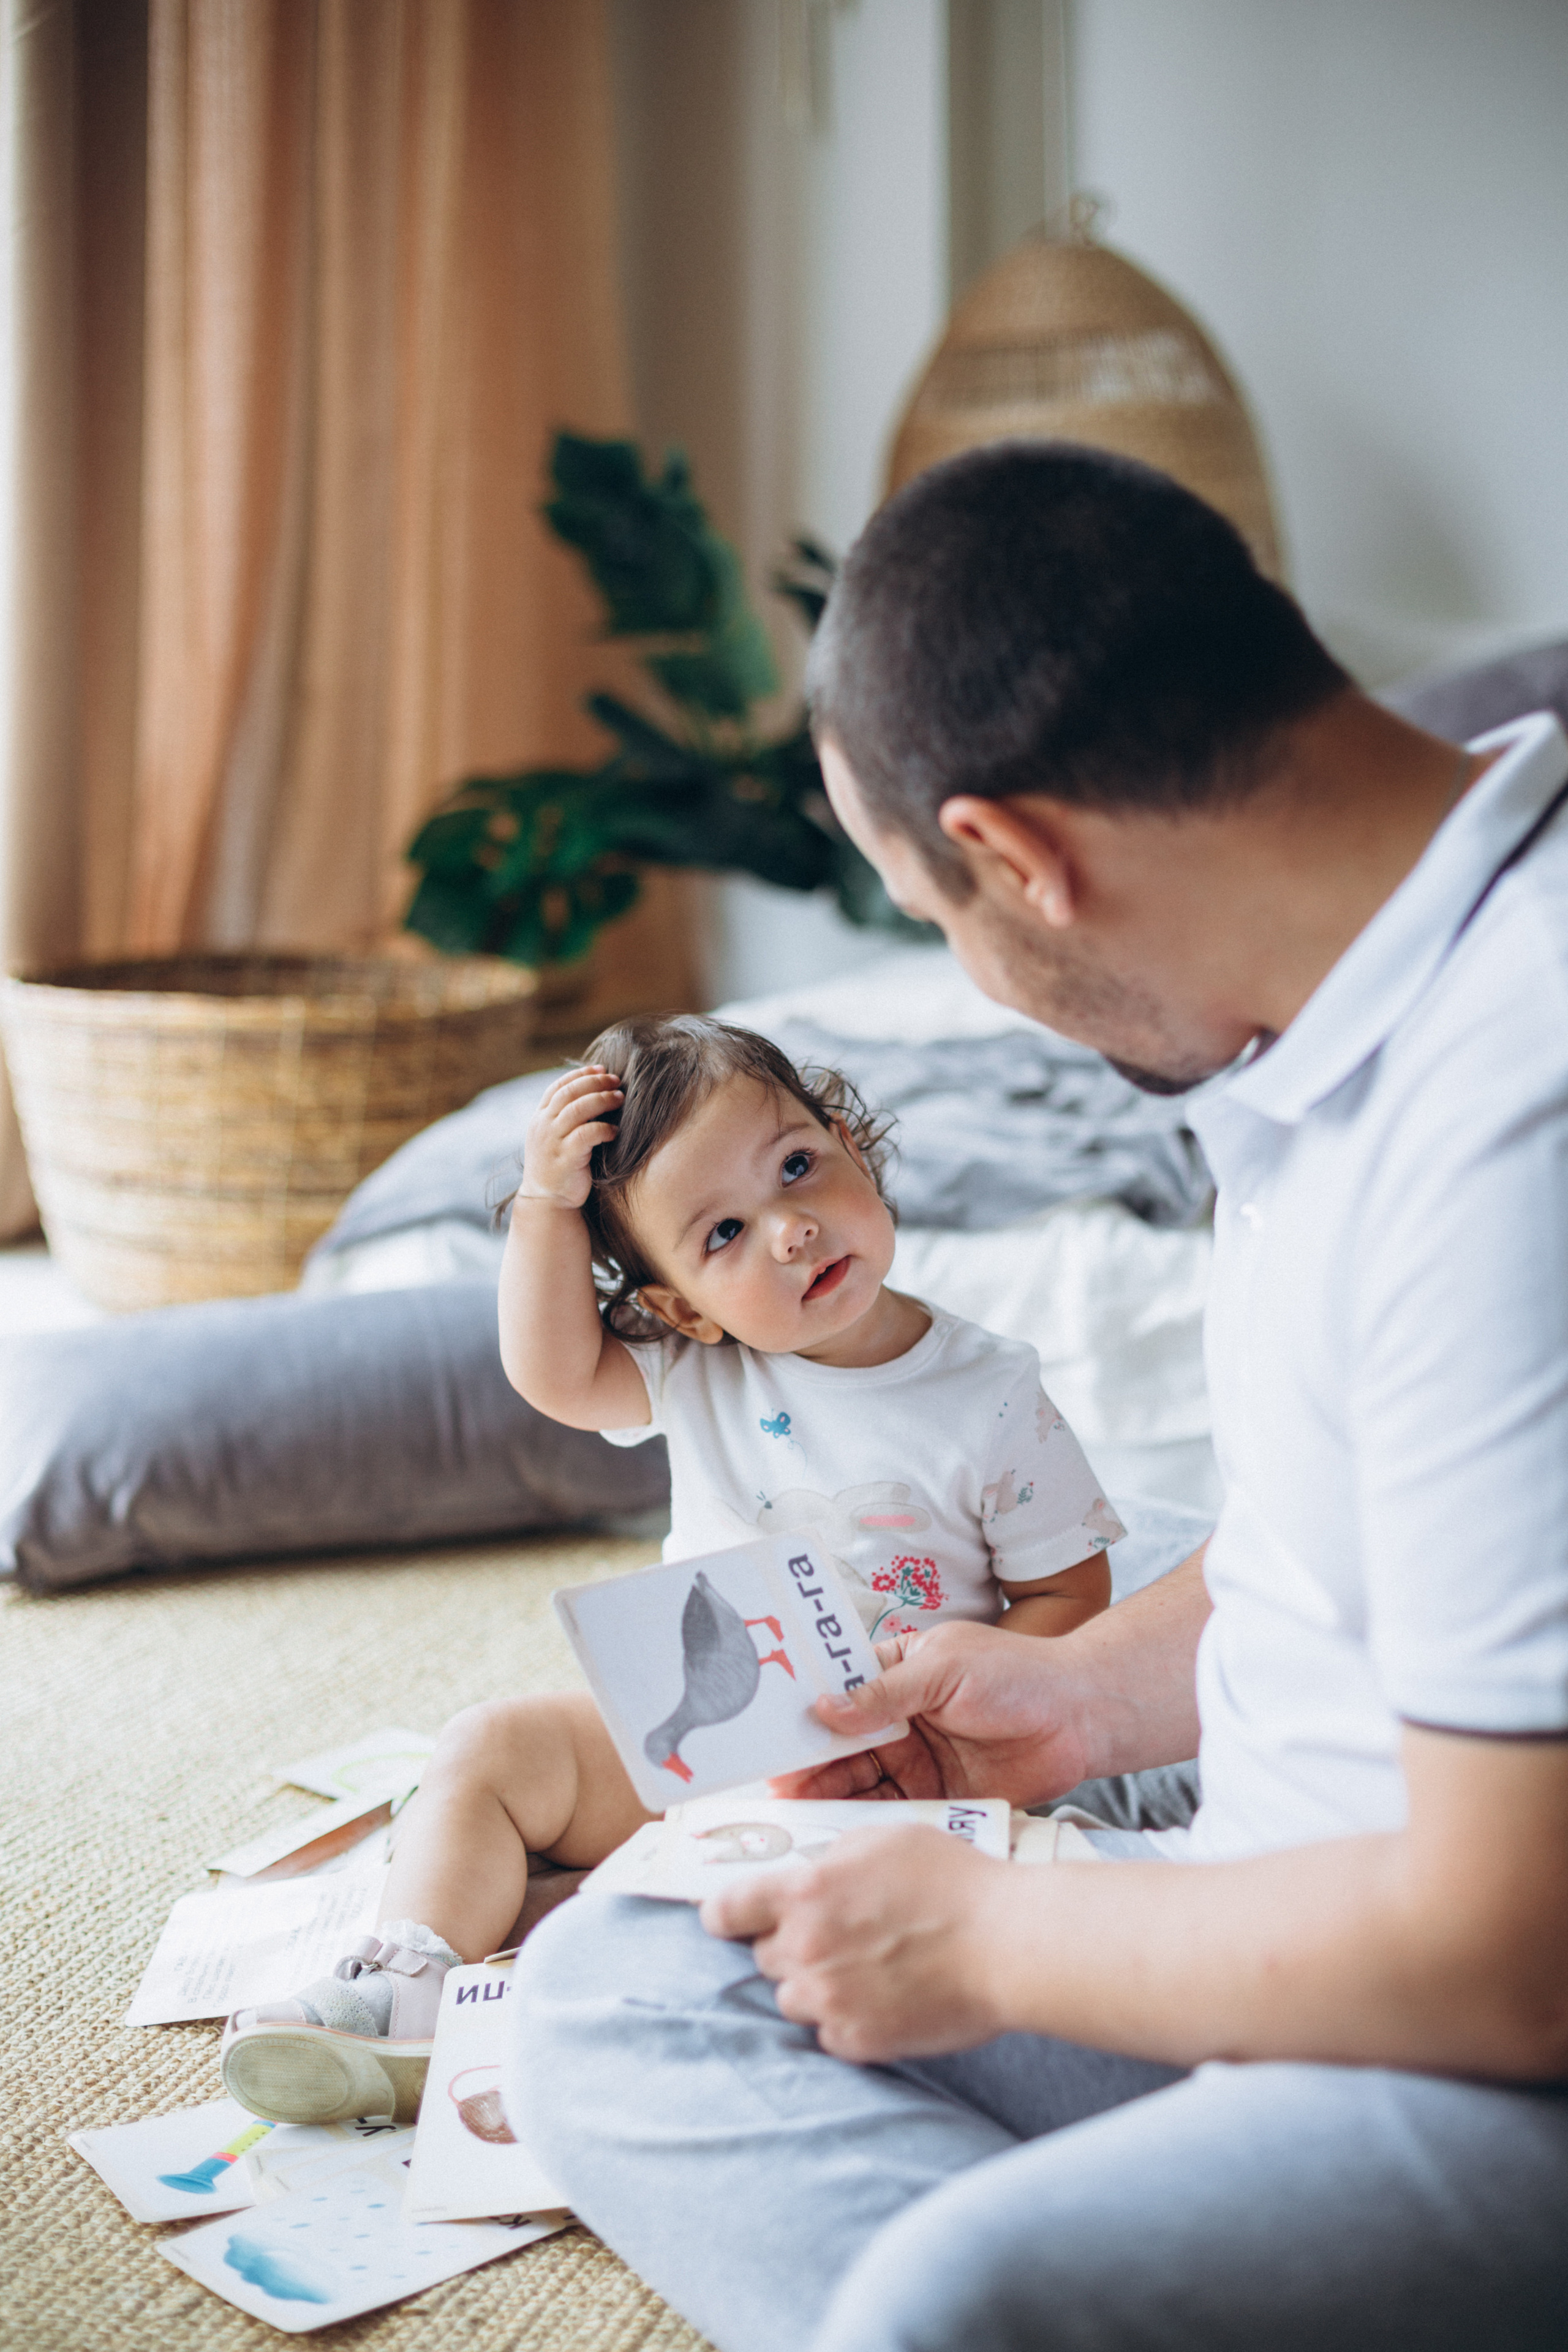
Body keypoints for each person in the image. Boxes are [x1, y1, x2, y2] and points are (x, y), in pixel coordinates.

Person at [504, 441, 1568, 2352]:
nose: (975, 983)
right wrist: (1076, 1698)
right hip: (1289, 1905)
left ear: (1017, 857)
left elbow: (1520, 1957)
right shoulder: (1323, 1002)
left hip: (1476, 2040)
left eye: (935, 920)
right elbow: (1355, 1560)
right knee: (622, 1992)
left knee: (951, 2296)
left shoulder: (1521, 1116)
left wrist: (1004, 1934)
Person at [219, 1014, 1119, 2130]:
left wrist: (969, 1691)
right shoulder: (698, 1370)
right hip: (708, 1747)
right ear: (682, 1308)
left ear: (850, 1143)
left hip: (914, 1772)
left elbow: (1070, 1603)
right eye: (725, 1234)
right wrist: (547, 1209)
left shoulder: (991, 1394)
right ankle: (408, 1987)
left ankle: (574, 1925)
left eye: (797, 1167)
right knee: (490, 1750)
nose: (790, 1229)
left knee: (811, 1938)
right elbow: (551, 1373)